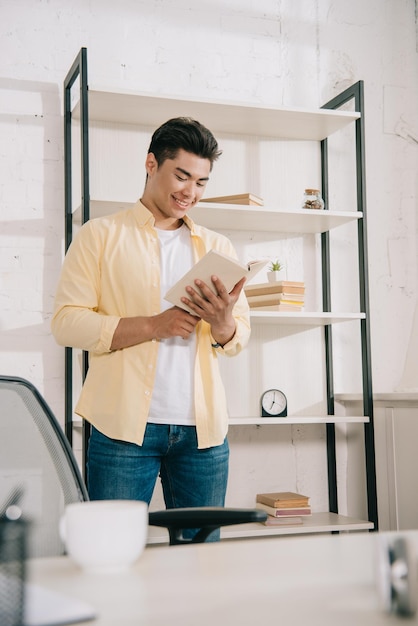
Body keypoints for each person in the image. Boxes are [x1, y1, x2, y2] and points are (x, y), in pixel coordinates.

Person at [51, 117, 251, 540]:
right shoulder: (99, 236)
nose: (190, 192)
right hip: (123, 430)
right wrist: (153, 325)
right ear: (150, 164)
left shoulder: (218, 248)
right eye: (181, 176)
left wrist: (222, 323)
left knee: (203, 560)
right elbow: (67, 323)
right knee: (113, 550)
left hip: (203, 435)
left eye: (201, 182)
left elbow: (237, 337)